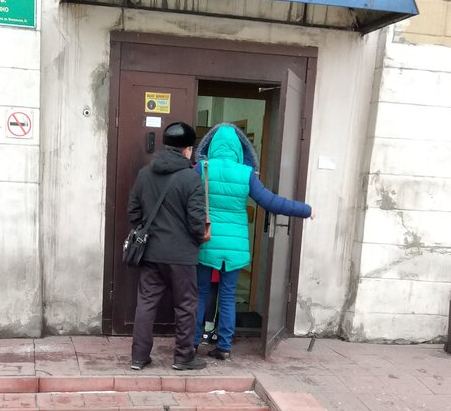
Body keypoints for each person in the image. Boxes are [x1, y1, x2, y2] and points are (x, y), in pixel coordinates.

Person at [193, 122, 313, 360]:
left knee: (200, 294)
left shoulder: (202, 168)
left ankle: (193, 343)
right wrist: (305, 210)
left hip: (207, 242)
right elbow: (270, 201)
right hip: (235, 247)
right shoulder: (245, 173)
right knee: (228, 296)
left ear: (212, 145)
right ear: (239, 149)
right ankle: (224, 347)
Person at [127, 121, 208, 371]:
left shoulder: (145, 173)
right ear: (187, 150)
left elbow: (133, 212)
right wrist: (195, 240)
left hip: (151, 252)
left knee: (146, 303)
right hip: (182, 256)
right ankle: (183, 357)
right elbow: (197, 223)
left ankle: (139, 357)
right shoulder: (191, 179)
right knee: (185, 306)